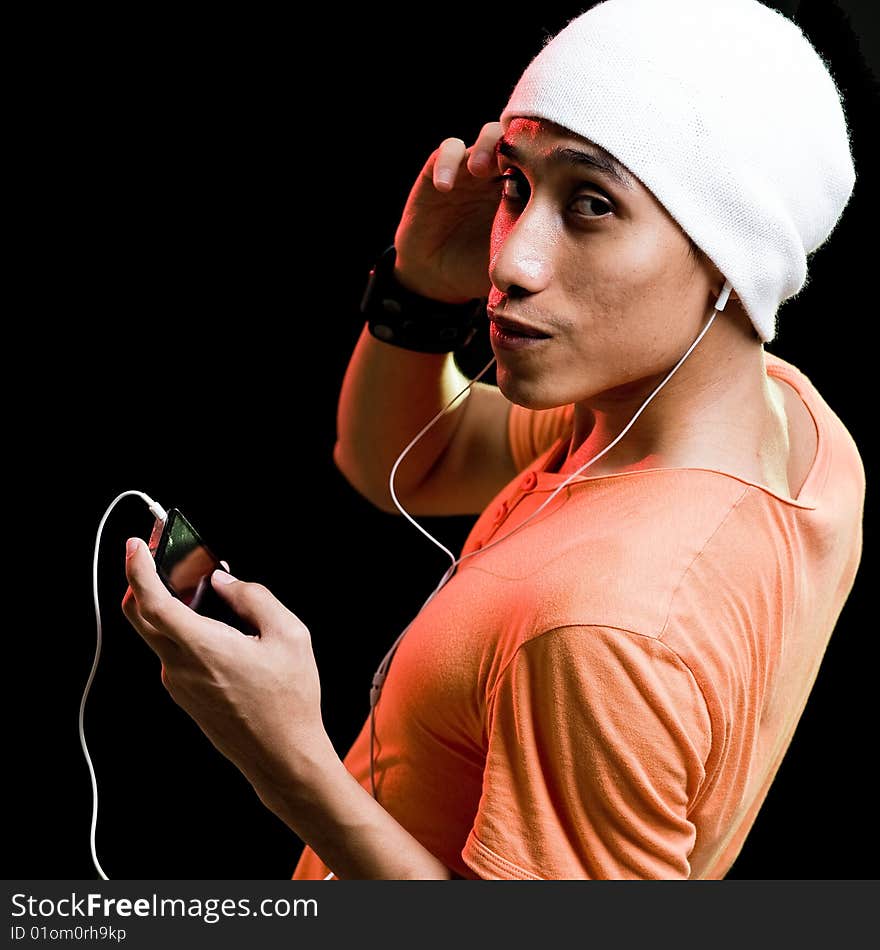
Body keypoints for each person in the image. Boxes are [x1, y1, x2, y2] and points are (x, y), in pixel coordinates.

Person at [122, 0, 864, 879]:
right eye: (516, 186)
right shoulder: (781, 422)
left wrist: (286, 761)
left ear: (732, 255)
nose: (508, 260)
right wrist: (418, 289)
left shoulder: (602, 625)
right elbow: (401, 459)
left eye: (591, 204)